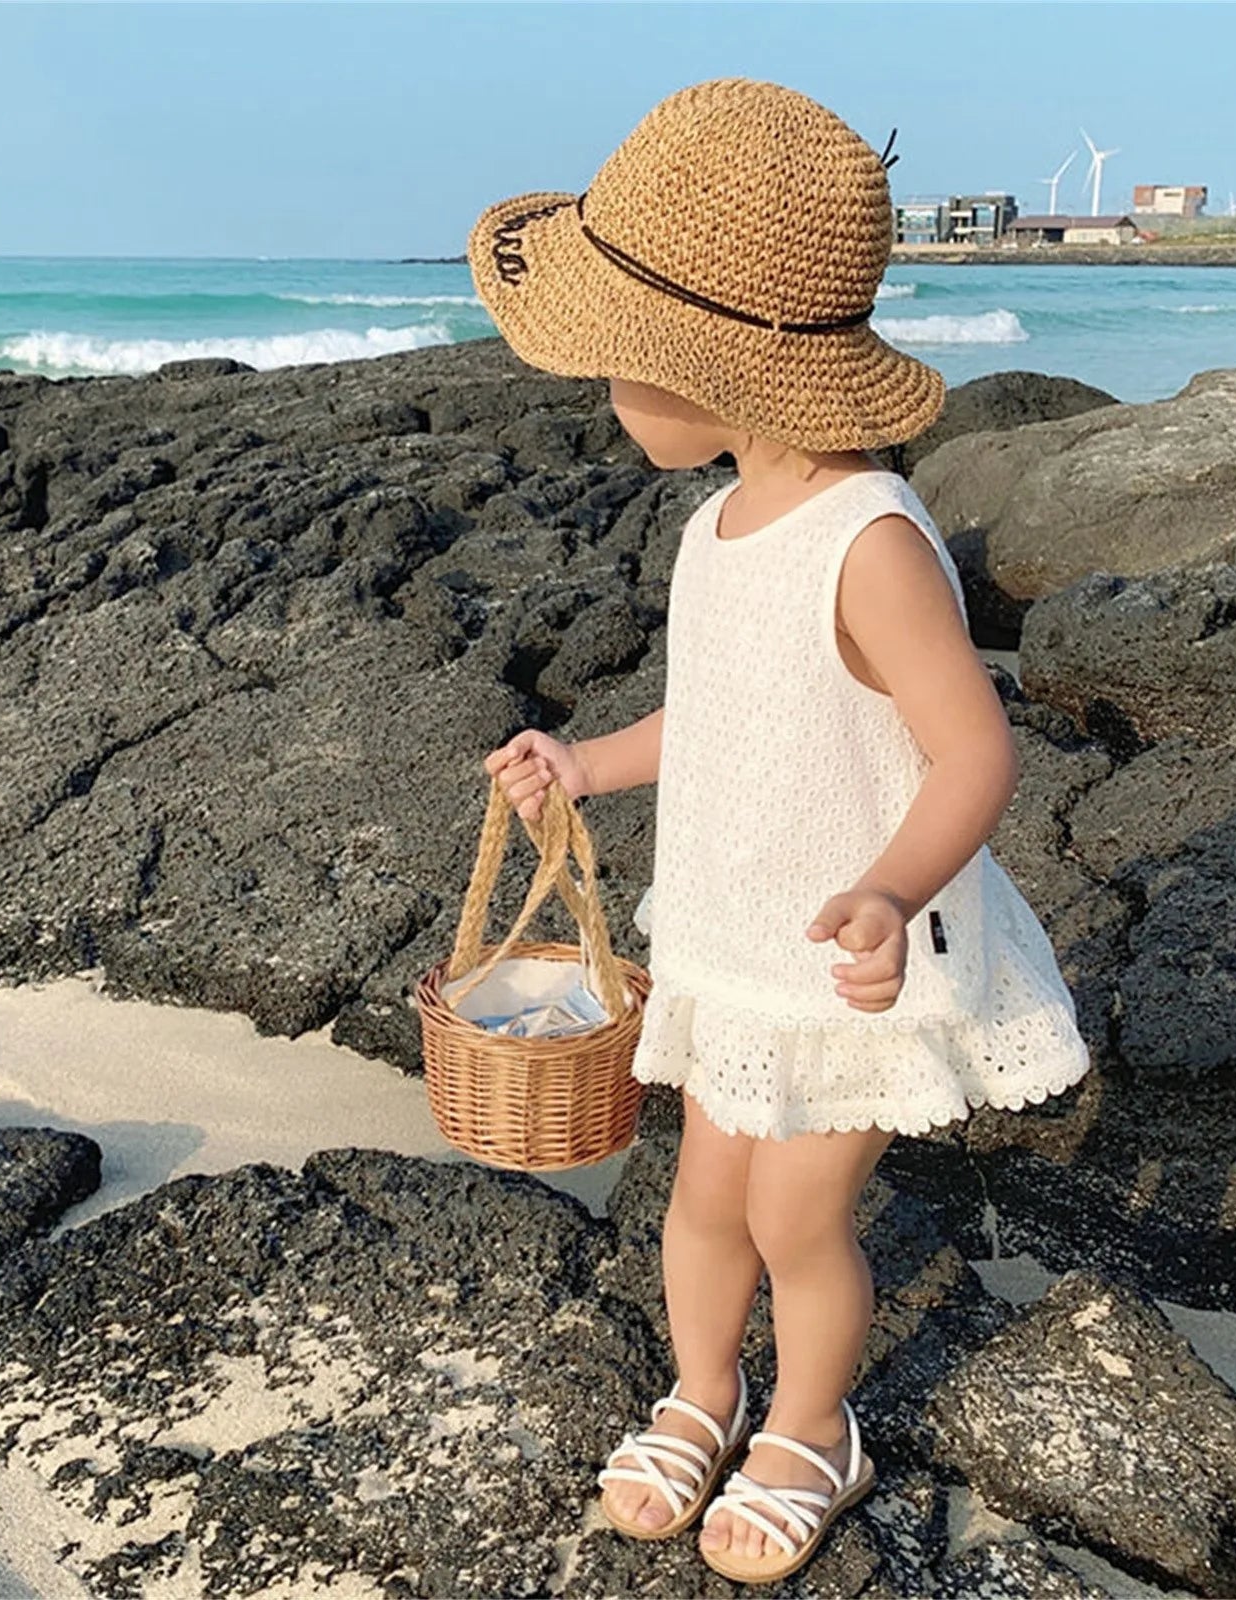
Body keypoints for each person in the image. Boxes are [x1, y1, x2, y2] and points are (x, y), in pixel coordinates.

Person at [468, 79, 1092, 1586]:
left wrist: (889, 890)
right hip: (732, 942)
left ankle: (815, 1422)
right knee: (698, 1198)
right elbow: (726, 720)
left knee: (798, 1217)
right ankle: (704, 1389)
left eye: (622, 364)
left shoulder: (870, 544)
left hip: (847, 958)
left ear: (722, 368)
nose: (607, 391)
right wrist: (590, 765)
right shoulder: (718, 526)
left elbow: (971, 751)